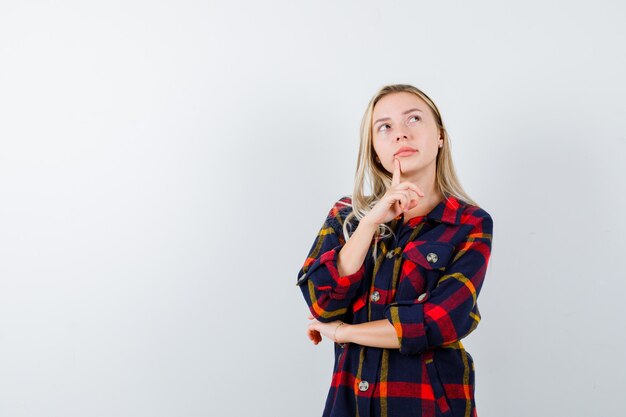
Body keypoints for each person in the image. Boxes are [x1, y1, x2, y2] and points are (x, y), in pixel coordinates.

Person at [296, 84, 494, 417]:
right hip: (349, 403)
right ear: (374, 148)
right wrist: (370, 222)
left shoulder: (469, 223)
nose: (400, 134)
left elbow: (438, 320)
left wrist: (343, 333)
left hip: (430, 404)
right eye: (384, 127)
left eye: (413, 119)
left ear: (440, 136)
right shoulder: (345, 216)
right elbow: (323, 301)